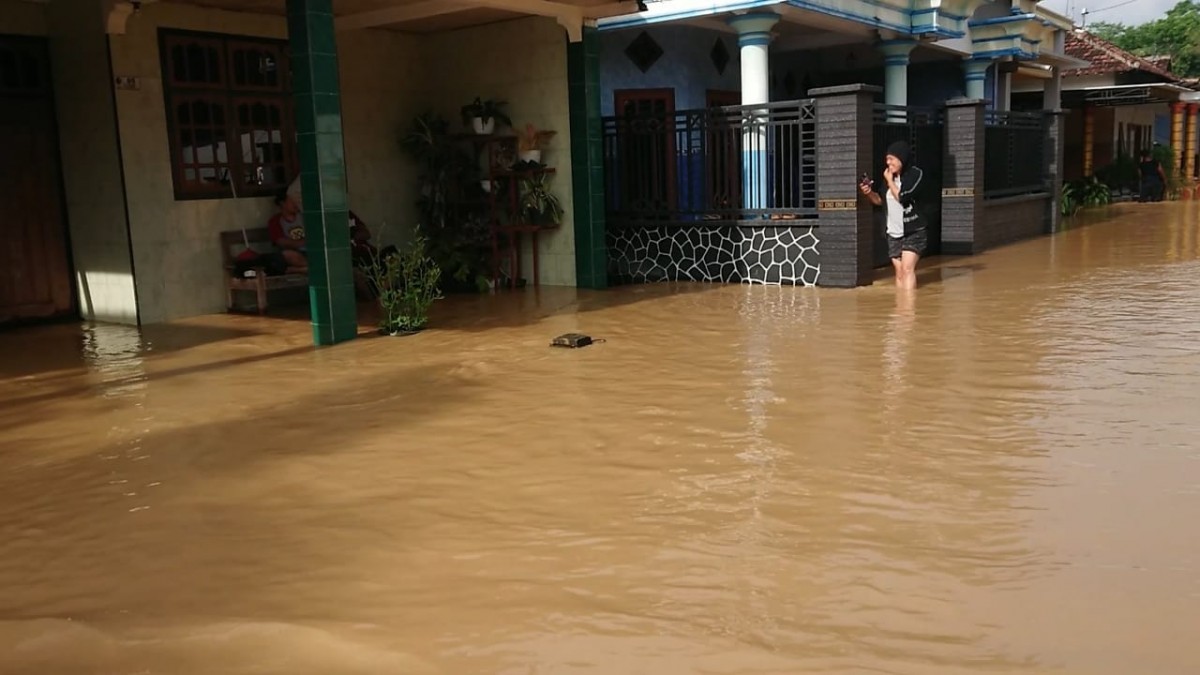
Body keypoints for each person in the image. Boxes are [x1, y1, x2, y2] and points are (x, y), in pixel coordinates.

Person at [858, 140, 929, 290]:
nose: (888, 162)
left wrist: (890, 180)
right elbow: (879, 201)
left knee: (907, 269)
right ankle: (901, 307)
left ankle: (909, 310)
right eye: (887, 159)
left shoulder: (915, 174)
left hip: (913, 231)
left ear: (901, 158)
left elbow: (903, 196)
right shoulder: (889, 179)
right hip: (893, 232)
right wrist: (869, 192)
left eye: (891, 159)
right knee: (899, 273)